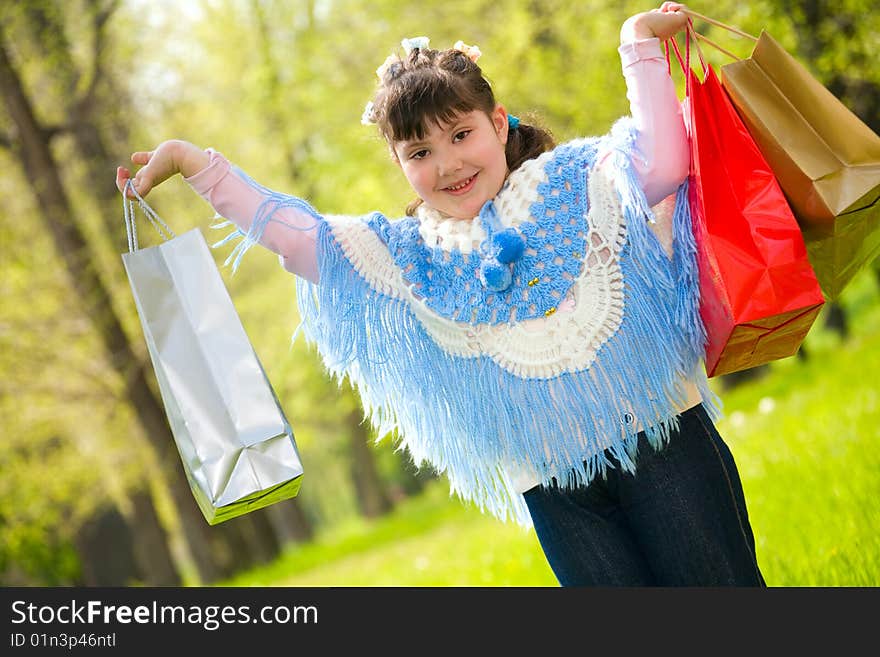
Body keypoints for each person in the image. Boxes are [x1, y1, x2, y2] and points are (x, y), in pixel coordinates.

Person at [116, 2, 765, 587]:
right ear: (399, 164)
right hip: (554, 488)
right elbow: (296, 237)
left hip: (666, 439)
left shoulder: (582, 177)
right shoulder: (407, 256)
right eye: (420, 150)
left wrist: (636, 44)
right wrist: (192, 162)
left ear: (498, 121)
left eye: (461, 135)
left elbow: (663, 162)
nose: (448, 163)